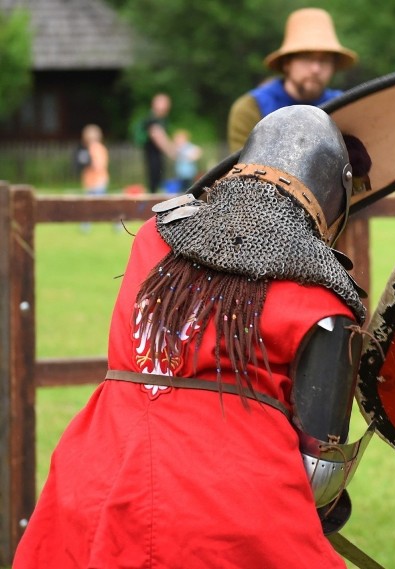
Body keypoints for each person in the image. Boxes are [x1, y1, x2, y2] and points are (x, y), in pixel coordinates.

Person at [13, 106, 371, 568]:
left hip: (99, 478)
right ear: (331, 196)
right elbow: (318, 471)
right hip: (231, 509)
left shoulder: (154, 235)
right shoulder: (324, 300)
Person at [227, 7, 357, 152]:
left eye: (325, 60)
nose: (316, 69)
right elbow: (241, 172)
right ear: (287, 63)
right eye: (306, 58)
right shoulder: (251, 108)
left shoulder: (346, 107)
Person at [77, 124, 109, 232]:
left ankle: (117, 222)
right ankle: (86, 226)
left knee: (101, 206)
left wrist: (88, 161)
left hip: (98, 181)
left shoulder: (97, 149)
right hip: (90, 181)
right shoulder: (89, 149)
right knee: (89, 205)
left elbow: (99, 165)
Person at [142, 92, 174, 193]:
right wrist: (172, 152)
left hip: (158, 155)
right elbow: (158, 137)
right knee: (155, 177)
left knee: (159, 175)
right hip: (153, 155)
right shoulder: (153, 119)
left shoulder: (162, 119)